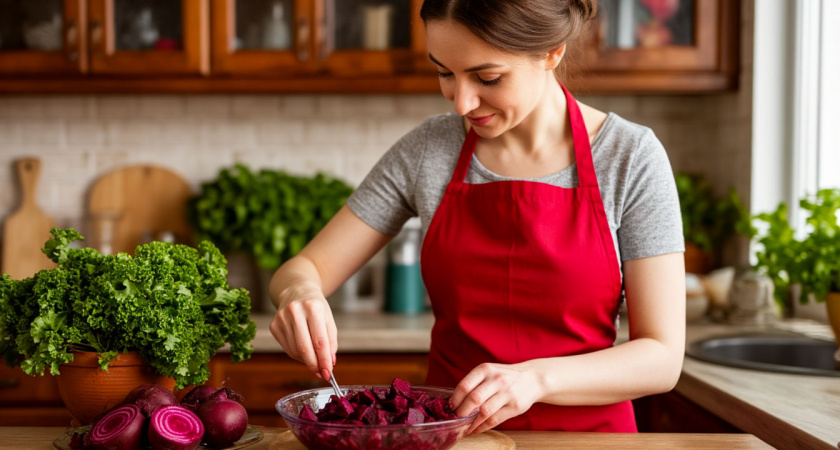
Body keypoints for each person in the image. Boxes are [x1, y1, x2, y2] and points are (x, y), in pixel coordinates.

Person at [269, 0, 685, 434]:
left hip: (590, 441)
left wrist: (536, 380)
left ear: (552, 52)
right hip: (453, 437)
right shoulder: (430, 149)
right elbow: (306, 267)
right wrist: (300, 293)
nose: (462, 102)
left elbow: (662, 357)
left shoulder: (630, 157)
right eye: (445, 72)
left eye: (488, 77)